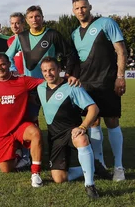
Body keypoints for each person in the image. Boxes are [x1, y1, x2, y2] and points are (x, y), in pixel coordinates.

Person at [71, 0, 128, 181]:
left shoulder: (106, 23)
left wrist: (120, 77)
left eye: (84, 7)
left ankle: (119, 167)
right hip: (87, 84)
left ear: (90, 7)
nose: (81, 10)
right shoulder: (74, 33)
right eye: (77, 8)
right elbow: (78, 62)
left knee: (112, 121)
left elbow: (121, 50)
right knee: (93, 122)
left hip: (107, 81)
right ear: (73, 11)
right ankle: (100, 165)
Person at [0, 54, 45, 187]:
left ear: (8, 64)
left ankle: (35, 174)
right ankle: (20, 155)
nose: (0, 68)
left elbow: (45, 82)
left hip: (21, 126)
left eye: (3, 64)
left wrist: (67, 77)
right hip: (2, 131)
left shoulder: (21, 80)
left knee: (36, 133)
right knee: (6, 169)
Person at [37, 57, 100, 198]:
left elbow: (93, 109)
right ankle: (92, 167)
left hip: (72, 131)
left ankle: (90, 185)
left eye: (52, 69)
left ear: (60, 70)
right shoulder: (40, 88)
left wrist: (83, 127)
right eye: (45, 71)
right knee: (59, 178)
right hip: (55, 137)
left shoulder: (72, 87)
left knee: (81, 139)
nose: (49, 73)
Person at [6, 5, 79, 80]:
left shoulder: (53, 34)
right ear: (27, 20)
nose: (34, 20)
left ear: (42, 18)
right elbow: (7, 56)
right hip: (30, 83)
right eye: (31, 17)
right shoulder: (21, 37)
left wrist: (67, 73)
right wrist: (13, 70)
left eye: (37, 16)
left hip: (51, 82)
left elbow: (70, 54)